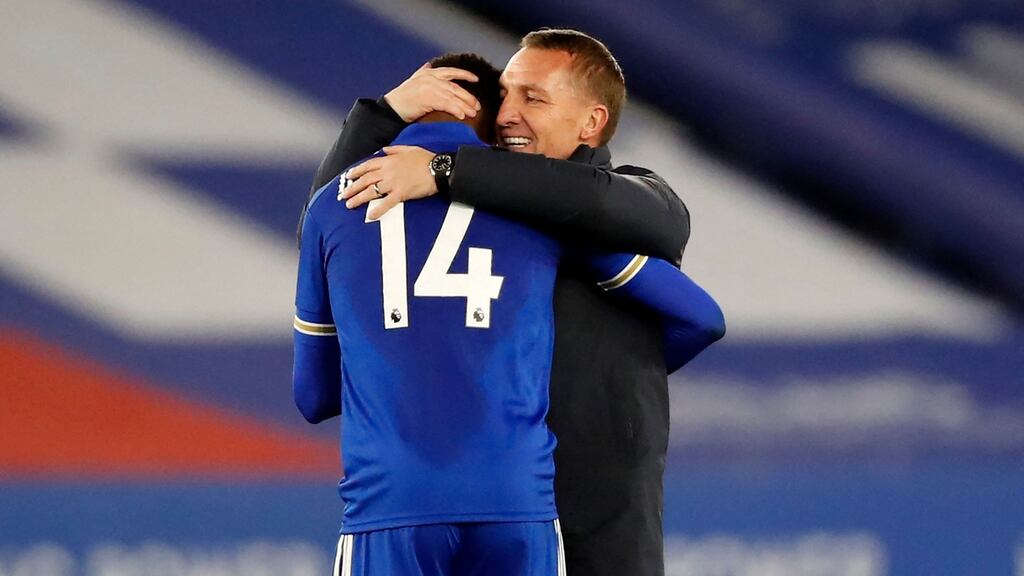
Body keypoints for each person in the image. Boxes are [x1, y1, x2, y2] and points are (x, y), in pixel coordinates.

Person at [304, 30, 695, 576]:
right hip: (503, 508)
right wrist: (386, 114)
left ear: (592, 122)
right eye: (505, 95)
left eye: (533, 98)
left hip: (598, 527)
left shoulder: (636, 200)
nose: (506, 114)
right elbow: (330, 229)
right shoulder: (469, 210)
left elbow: (603, 205)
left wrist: (443, 170)